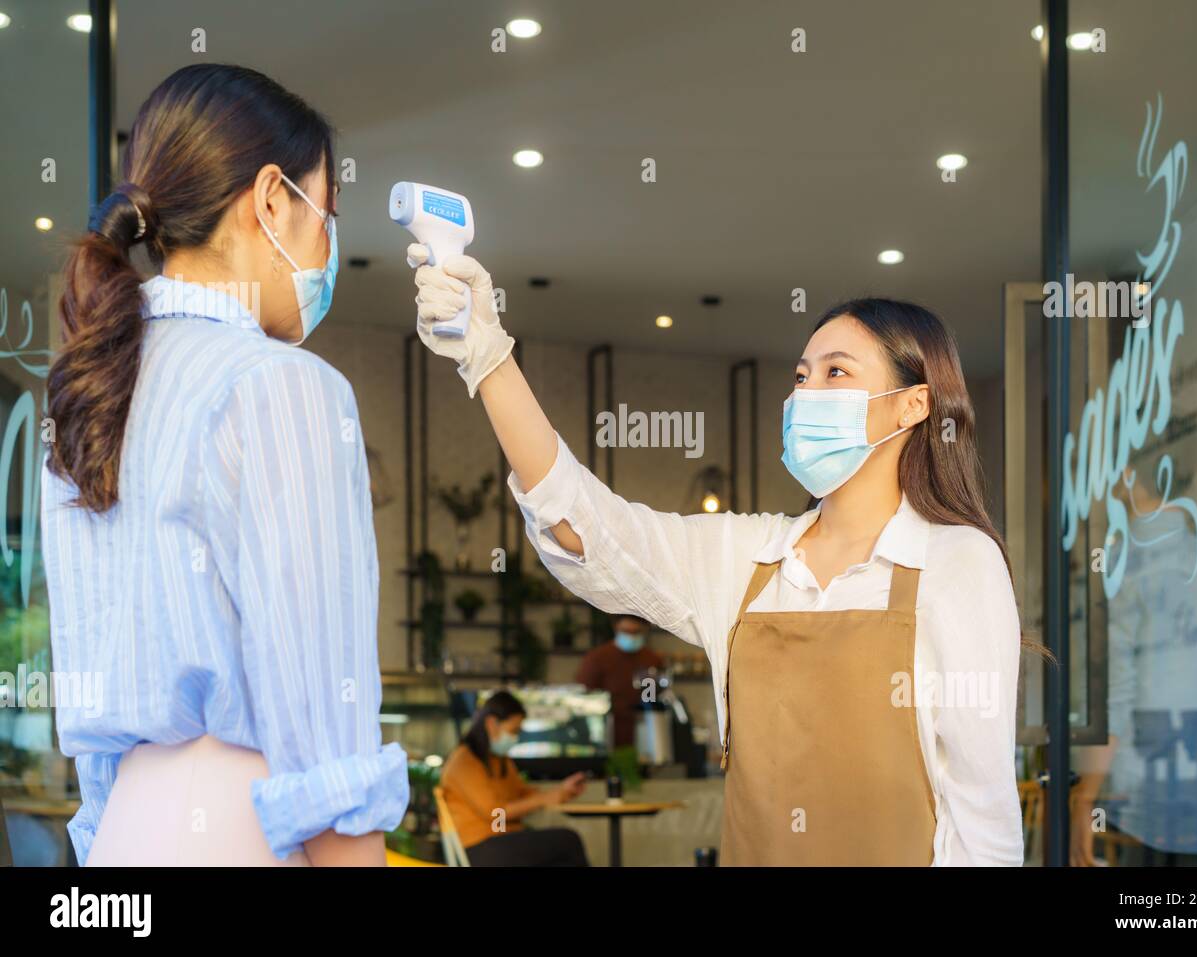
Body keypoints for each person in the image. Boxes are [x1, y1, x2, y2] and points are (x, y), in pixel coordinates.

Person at [407, 248, 1034, 865]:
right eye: (800, 375)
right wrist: (490, 358)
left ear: (913, 404)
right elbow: (585, 529)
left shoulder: (958, 561)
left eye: (836, 372)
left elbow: (983, 816)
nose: (807, 392)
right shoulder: (746, 559)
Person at [42, 64, 407, 866]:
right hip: (246, 841)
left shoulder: (85, 397)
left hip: (118, 852)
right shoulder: (286, 387)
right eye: (326, 215)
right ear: (272, 199)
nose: (327, 248)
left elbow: (93, 737)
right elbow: (324, 735)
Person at [441, 691, 589, 866]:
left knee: (558, 847)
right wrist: (542, 800)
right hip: (480, 848)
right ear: (491, 724)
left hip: (502, 839)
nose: (515, 738)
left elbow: (522, 793)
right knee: (568, 841)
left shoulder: (499, 760)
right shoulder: (464, 762)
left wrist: (561, 792)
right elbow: (496, 814)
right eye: (513, 731)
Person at [576, 613, 665, 749]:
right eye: (626, 631)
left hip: (640, 732)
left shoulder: (651, 660)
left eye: (636, 632)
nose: (630, 636)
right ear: (616, 628)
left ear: (645, 631)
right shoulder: (598, 658)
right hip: (606, 731)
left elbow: (652, 698)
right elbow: (584, 695)